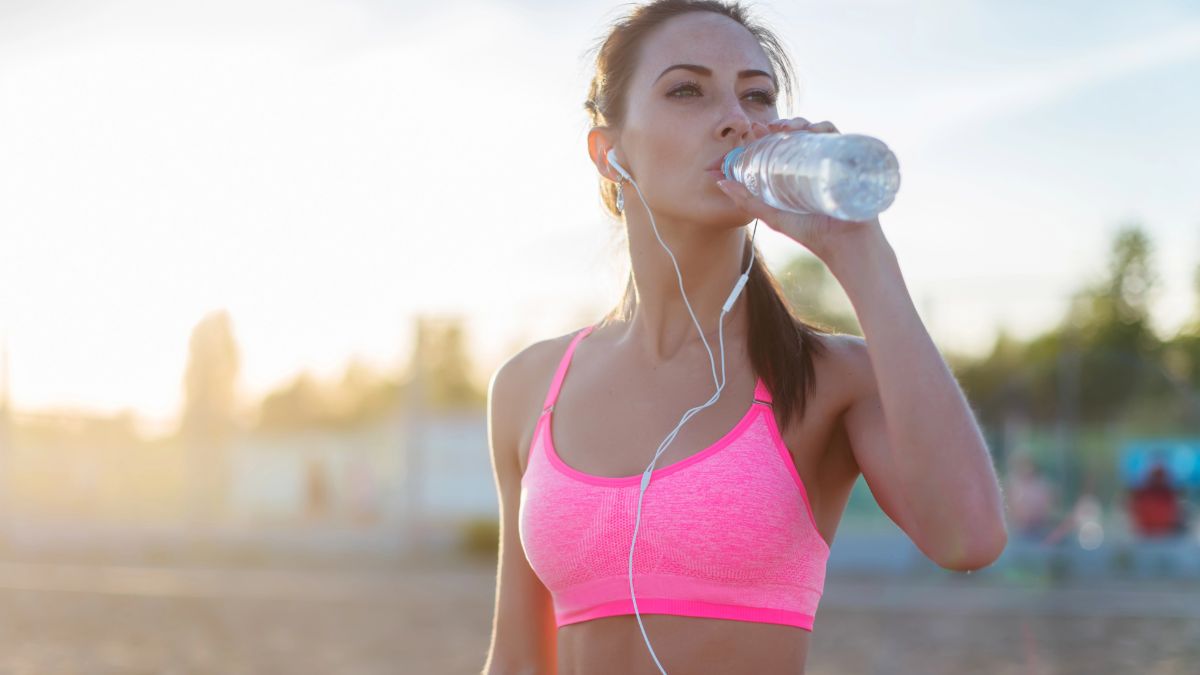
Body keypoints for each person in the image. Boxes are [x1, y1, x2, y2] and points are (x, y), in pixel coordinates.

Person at [483, 2, 1008, 673]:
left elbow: (969, 537)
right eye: (687, 90)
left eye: (756, 95)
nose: (735, 117)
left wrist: (860, 253)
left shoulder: (828, 377)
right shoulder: (529, 384)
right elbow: (517, 661)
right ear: (608, 152)